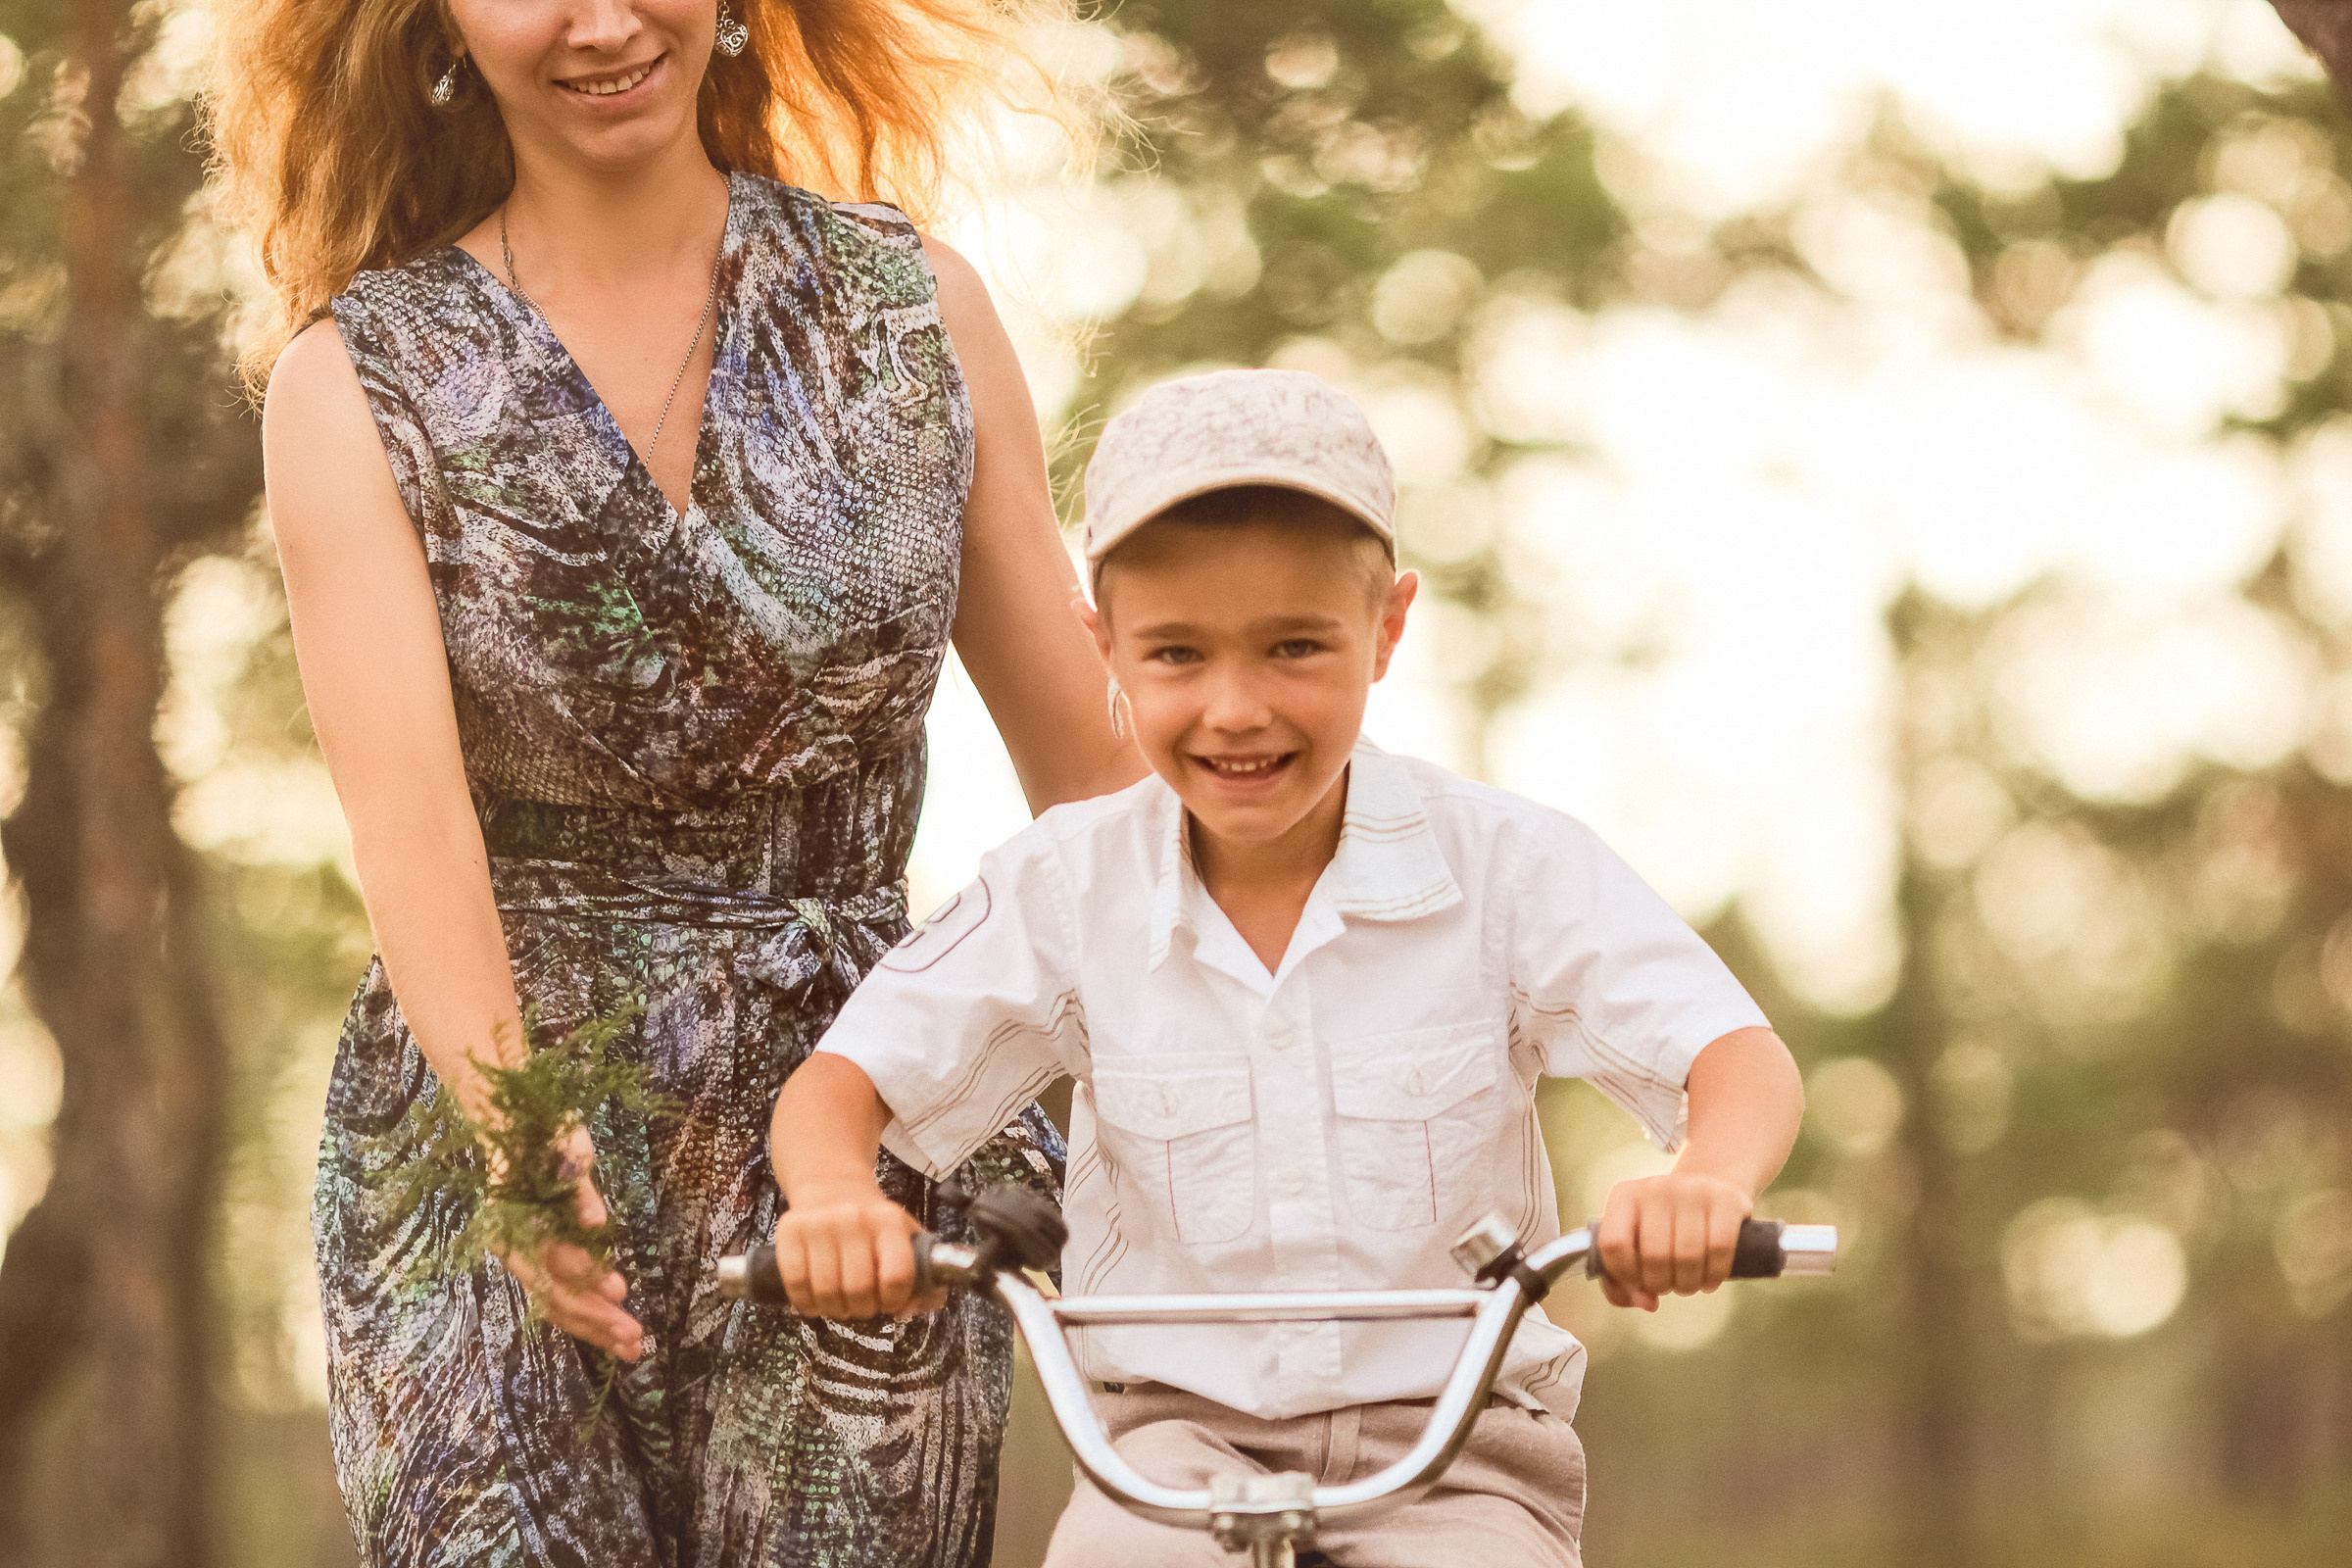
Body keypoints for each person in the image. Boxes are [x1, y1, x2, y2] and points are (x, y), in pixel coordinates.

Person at [209, 0, 1139, 1561]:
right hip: (499, 1128)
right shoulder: (356, 379)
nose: (598, 21)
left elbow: (1099, 789)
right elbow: (409, 820)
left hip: (865, 1124)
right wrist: (519, 1137)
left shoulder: (913, 311)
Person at [763, 368, 1808, 1566]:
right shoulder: (1063, 885)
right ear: (1103, 642)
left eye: (1295, 646)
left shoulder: (1508, 866)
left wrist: (1706, 1181)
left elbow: (1736, 1054)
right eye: (1176, 655)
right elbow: (844, 1083)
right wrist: (838, 1200)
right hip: (1166, 1458)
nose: (1236, 707)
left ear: (1389, 629)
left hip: (1459, 1450)